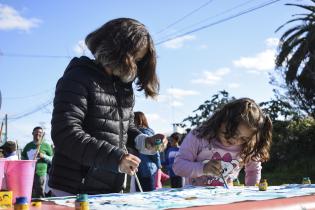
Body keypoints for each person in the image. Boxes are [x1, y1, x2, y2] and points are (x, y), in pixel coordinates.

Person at [49, 18, 167, 196]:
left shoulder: (123, 87)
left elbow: (124, 130)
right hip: (72, 189)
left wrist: (145, 141)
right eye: (134, 58)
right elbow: (65, 133)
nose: (135, 66)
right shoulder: (78, 77)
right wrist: (116, 158)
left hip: (111, 188)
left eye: (139, 61)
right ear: (116, 50)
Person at [173, 98, 272, 187]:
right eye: (232, 133)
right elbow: (178, 166)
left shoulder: (247, 146)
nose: (235, 141)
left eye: (243, 138)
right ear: (221, 120)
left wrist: (251, 195)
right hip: (194, 199)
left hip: (225, 199)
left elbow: (253, 171)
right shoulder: (199, 137)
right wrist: (203, 168)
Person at [133, 111, 162, 192]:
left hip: (147, 169)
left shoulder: (145, 132)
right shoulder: (135, 133)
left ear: (139, 120)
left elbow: (156, 150)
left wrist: (159, 165)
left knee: (148, 194)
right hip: (140, 168)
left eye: (133, 120)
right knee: (141, 195)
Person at [21, 126, 53, 198]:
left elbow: (52, 160)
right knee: (29, 192)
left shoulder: (46, 146)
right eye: (36, 132)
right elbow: (23, 158)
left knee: (40, 193)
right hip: (29, 173)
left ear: (42, 134)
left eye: (40, 133)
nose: (38, 134)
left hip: (41, 173)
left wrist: (44, 156)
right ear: (33, 133)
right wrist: (28, 161)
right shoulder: (28, 146)